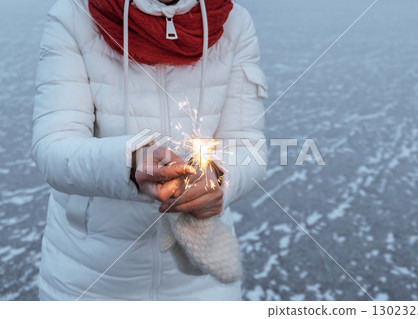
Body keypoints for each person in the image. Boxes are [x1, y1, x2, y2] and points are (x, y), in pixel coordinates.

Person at [32, 0, 267, 300]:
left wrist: (219, 177)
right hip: (88, 277)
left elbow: (247, 145)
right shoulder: (74, 15)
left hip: (202, 279)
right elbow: (53, 147)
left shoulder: (233, 21)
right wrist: (131, 163)